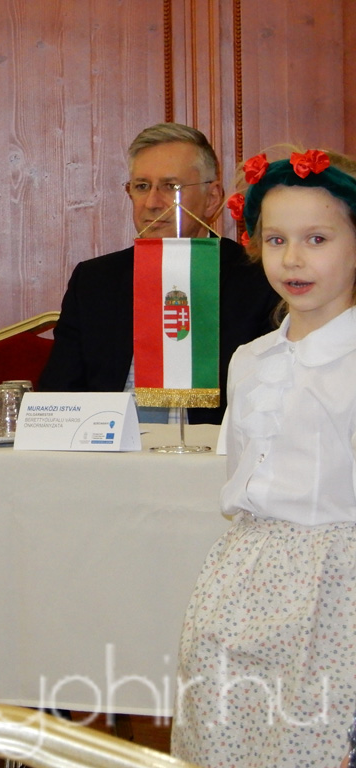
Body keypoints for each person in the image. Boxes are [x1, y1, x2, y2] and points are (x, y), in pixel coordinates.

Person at [172, 147, 356, 767]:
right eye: (276, 240)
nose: (293, 259)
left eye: (316, 239)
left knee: (315, 741)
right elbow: (241, 474)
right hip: (243, 578)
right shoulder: (250, 359)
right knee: (227, 737)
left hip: (337, 588)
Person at [39, 122, 279, 424]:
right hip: (113, 447)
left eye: (171, 187)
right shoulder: (95, 281)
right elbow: (58, 399)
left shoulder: (259, 277)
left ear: (212, 198)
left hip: (214, 449)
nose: (153, 203)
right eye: (142, 186)